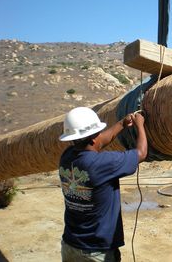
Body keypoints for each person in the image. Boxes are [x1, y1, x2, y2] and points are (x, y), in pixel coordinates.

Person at [58, 106, 147, 262]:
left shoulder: (67, 157)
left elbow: (98, 142)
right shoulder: (102, 163)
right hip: (96, 252)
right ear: (93, 138)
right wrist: (140, 125)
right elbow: (141, 153)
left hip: (70, 244)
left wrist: (121, 124)